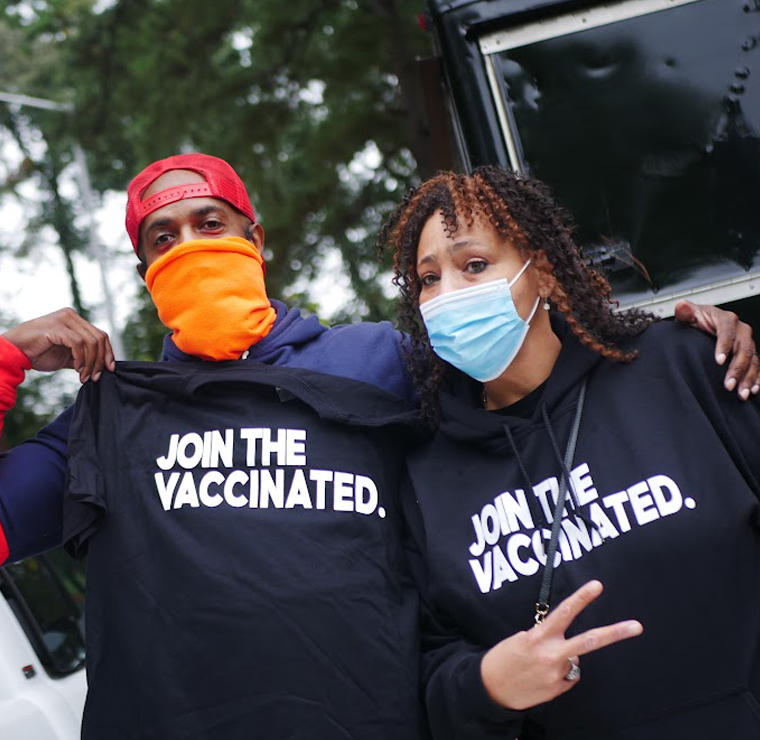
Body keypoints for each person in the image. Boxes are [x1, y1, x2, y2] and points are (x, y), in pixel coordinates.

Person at [0, 155, 753, 738]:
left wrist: (662, 343)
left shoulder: (379, 361)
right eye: (163, 238)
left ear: (255, 240)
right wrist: (6, 359)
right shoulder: (112, 416)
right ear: (143, 275)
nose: (189, 247)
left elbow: (528, 380)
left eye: (211, 223)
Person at [378, 165, 760, 739]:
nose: (447, 295)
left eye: (474, 265)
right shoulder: (426, 474)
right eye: (428, 279)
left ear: (546, 273)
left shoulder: (683, 367)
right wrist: (486, 683)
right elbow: (426, 665)